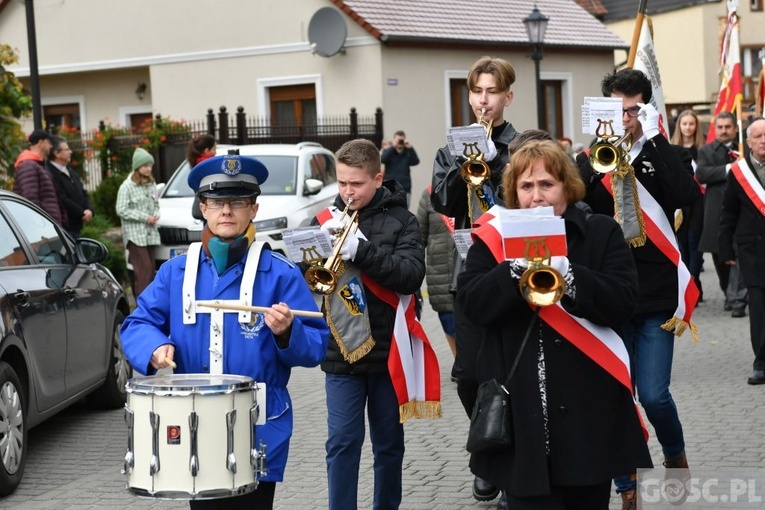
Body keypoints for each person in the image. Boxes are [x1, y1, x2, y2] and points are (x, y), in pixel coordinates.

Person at [120, 153, 329, 509]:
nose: (226, 211)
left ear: (254, 209)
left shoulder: (279, 273)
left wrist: (287, 333)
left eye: (237, 202)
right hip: (194, 429)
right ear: (203, 208)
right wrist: (154, 347)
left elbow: (316, 346)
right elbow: (138, 322)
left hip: (259, 427)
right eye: (217, 202)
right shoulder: (176, 271)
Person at [458, 139, 651, 509]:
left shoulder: (600, 232)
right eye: (526, 186)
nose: (537, 196)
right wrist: (509, 273)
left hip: (588, 416)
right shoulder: (492, 239)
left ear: (567, 186)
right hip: (522, 420)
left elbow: (625, 301)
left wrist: (572, 276)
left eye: (547, 184)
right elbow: (471, 306)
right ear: (514, 191)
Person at [576, 68, 701, 510]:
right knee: (615, 397)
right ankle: (627, 487)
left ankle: (674, 453)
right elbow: (576, 209)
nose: (625, 118)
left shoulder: (657, 151)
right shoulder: (591, 157)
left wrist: (654, 139)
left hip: (653, 296)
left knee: (652, 394)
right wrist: (596, 161)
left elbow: (687, 194)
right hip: (609, 296)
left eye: (633, 110)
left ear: (644, 109)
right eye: (618, 110)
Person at [312, 139, 428, 510]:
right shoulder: (325, 221)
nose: (347, 192)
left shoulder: (403, 221)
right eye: (342, 183)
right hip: (340, 353)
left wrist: (361, 251)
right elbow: (309, 278)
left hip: (388, 353)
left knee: (389, 445)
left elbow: (410, 275)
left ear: (378, 178)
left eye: (356, 184)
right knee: (342, 443)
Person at [432, 55, 520, 506]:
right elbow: (445, 203)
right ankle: (487, 446)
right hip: (468, 271)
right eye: (477, 92)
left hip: (510, 269)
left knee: (509, 373)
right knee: (468, 376)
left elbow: (527, 201)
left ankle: (504, 469)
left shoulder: (522, 144)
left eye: (492, 92)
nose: (483, 101)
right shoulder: (450, 148)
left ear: (507, 96)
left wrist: (498, 162)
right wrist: (463, 162)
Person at [719, 118, 765, 385]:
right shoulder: (738, 172)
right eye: (757, 136)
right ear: (747, 142)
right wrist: (725, 246)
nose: (762, 140)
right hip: (753, 250)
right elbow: (728, 213)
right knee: (758, 306)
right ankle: (760, 361)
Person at [697, 111, 748, 317]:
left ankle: (736, 297)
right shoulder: (707, 151)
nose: (724, 130)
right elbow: (702, 174)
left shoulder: (744, 148)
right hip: (717, 210)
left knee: (739, 253)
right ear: (715, 128)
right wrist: (730, 168)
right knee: (720, 255)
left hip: (742, 211)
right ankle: (728, 289)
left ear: (735, 129)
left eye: (728, 127)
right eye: (720, 127)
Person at [416, 186, 456, 358]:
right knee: (449, 322)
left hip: (470, 267)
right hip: (440, 272)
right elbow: (419, 237)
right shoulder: (431, 193)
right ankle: (460, 362)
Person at [669, 110, 705, 302]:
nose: (688, 127)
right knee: (681, 242)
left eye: (692, 124)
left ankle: (694, 280)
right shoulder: (672, 149)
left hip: (699, 202)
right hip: (680, 203)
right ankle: (686, 284)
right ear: (679, 126)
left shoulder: (703, 149)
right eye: (685, 124)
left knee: (694, 242)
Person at [116, 148, 160, 298]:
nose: (149, 168)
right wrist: (144, 217)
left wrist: (155, 215)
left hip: (150, 234)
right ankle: (142, 305)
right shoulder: (127, 186)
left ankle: (151, 302)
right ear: (137, 167)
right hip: (135, 236)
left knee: (151, 269)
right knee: (144, 270)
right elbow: (121, 209)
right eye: (145, 165)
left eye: (150, 165)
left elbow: (156, 204)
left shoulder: (151, 184)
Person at [13, 129, 66, 225]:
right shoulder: (28, 165)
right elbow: (30, 199)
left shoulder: (38, 165)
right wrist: (41, 223)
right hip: (42, 226)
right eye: (49, 142)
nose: (51, 146)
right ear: (41, 142)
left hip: (48, 224)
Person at [46, 136, 94, 239]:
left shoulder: (70, 171)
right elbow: (62, 199)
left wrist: (90, 210)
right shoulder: (50, 173)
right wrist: (82, 213)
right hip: (64, 228)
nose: (71, 152)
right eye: (67, 149)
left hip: (76, 226)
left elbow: (83, 193)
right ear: (57, 153)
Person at [381, 130, 420, 206]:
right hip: (390, 188)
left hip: (405, 187)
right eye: (398, 140)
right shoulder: (389, 152)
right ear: (394, 140)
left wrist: (410, 148)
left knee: (404, 210)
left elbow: (415, 161)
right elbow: (383, 159)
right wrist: (393, 147)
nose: (400, 142)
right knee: (389, 209)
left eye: (401, 140)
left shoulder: (407, 152)